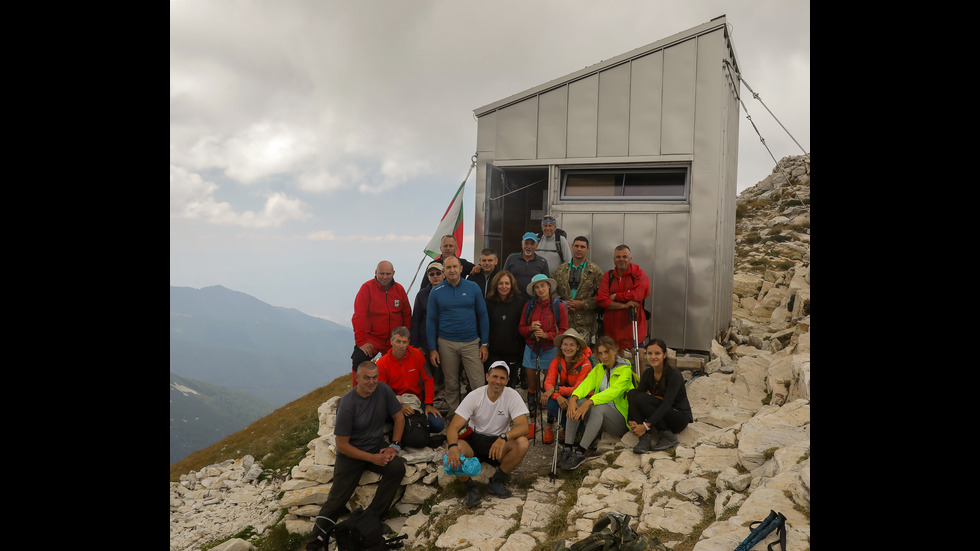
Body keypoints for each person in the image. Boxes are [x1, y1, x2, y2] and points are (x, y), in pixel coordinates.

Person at [306, 362, 406, 551]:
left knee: (397, 469)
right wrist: (372, 458)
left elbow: (399, 417)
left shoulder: (383, 390)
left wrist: (394, 446)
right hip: (351, 455)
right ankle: (314, 544)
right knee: (336, 500)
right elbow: (342, 445)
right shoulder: (348, 403)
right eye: (367, 378)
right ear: (357, 379)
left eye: (375, 377)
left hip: (376, 446)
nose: (372, 382)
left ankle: (372, 520)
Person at [445, 361, 530, 509]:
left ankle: (496, 480)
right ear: (487, 376)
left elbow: (523, 426)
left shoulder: (512, 395)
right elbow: (453, 427)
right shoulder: (475, 395)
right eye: (494, 376)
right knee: (450, 451)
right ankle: (470, 487)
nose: (498, 381)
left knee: (522, 443)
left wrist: (504, 437)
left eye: (502, 378)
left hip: (497, 442)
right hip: (474, 439)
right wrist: (452, 446)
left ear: (507, 381)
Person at [426, 255, 490, 417]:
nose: (452, 270)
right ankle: (455, 415)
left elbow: (483, 315)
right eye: (448, 267)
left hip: (471, 342)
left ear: (461, 268)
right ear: (444, 271)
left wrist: (485, 343)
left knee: (478, 382)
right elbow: (431, 321)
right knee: (451, 383)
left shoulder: (473, 287)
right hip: (446, 343)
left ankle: (480, 415)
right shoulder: (436, 291)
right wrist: (432, 348)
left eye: (455, 267)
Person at [559, 336, 635, 470]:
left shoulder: (625, 370)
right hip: (599, 418)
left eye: (607, 352)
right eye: (600, 353)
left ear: (615, 351)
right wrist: (574, 398)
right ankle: (568, 448)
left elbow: (613, 392)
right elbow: (585, 385)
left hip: (620, 420)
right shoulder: (599, 368)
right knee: (577, 402)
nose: (604, 356)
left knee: (598, 407)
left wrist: (590, 402)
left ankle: (580, 452)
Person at [518, 273, 568, 439]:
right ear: (534, 289)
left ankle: (549, 426)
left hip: (550, 351)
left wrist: (547, 336)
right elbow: (521, 329)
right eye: (537, 287)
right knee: (532, 388)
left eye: (543, 285)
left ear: (549, 286)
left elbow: (563, 331)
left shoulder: (558, 306)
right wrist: (531, 329)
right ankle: (533, 423)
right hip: (531, 349)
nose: (540, 289)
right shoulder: (529, 306)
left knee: (550, 388)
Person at [350, 260, 412, 385]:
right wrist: (361, 342)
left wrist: (405, 339)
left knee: (402, 362)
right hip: (372, 338)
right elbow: (358, 316)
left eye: (388, 274)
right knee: (359, 358)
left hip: (394, 338)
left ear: (393, 273)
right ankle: (357, 392)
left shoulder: (399, 290)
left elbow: (406, 315)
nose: (385, 277)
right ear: (375, 273)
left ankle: (396, 389)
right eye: (381, 273)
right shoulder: (367, 288)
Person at [627, 339, 693, 453]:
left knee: (642, 398)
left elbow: (666, 404)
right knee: (633, 393)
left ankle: (667, 436)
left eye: (657, 353)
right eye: (650, 353)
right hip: (661, 414)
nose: (653, 357)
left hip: (678, 417)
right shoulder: (648, 374)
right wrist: (631, 419)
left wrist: (646, 425)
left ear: (665, 354)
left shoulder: (673, 374)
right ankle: (644, 438)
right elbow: (635, 396)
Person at [376, 326, 445, 433]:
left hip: (416, 401)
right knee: (377, 417)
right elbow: (382, 392)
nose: (401, 346)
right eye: (398, 341)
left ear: (409, 342)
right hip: (394, 402)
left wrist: (429, 404)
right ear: (391, 341)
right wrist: (399, 407)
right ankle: (402, 424)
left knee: (438, 425)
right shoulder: (382, 363)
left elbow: (428, 379)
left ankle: (404, 426)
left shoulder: (417, 354)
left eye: (404, 342)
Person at [596, 245, 651, 372]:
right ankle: (617, 385)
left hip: (633, 323)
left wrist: (616, 296)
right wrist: (625, 305)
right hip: (613, 324)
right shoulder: (608, 276)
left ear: (630, 258)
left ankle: (641, 386)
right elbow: (602, 300)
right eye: (618, 257)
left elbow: (638, 295)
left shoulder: (638, 273)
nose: (622, 259)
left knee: (639, 356)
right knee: (615, 358)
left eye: (625, 257)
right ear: (614, 259)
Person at [539, 328, 594, 444]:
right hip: (566, 394)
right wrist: (557, 396)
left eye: (572, 345)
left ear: (578, 347)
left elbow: (578, 389)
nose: (568, 348)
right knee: (548, 399)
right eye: (565, 344)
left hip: (584, 398)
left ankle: (579, 430)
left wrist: (555, 389)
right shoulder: (557, 360)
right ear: (561, 346)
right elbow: (548, 381)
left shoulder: (585, 364)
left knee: (570, 400)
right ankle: (567, 426)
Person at [552, 236, 604, 346]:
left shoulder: (595, 271)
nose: (579, 249)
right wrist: (562, 303)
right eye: (576, 246)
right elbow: (553, 291)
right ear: (572, 247)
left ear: (587, 249)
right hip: (564, 322)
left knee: (584, 355)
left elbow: (601, 297)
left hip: (585, 325)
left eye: (582, 247)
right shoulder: (560, 270)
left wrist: (583, 304)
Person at [484, 270, 528, 389]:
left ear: (512, 285)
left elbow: (524, 326)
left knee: (509, 386)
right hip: (493, 352)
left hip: (513, 352)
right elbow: (484, 325)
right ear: (496, 285)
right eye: (501, 283)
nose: (504, 286)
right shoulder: (488, 302)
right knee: (493, 385)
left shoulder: (520, 302)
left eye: (507, 283)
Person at [411, 261, 445, 392]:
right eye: (432, 274)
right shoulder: (421, 295)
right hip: (425, 342)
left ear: (444, 275)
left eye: (438, 273)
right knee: (427, 374)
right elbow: (416, 321)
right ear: (428, 276)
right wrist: (415, 345)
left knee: (444, 373)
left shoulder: (450, 292)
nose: (435, 276)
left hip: (446, 339)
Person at [503, 232, 550, 300]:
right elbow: (504, 277)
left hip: (534, 301)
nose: (529, 247)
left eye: (532, 244)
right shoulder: (511, 258)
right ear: (522, 244)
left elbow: (546, 284)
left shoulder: (542, 262)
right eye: (526, 243)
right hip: (513, 299)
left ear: (536, 245)